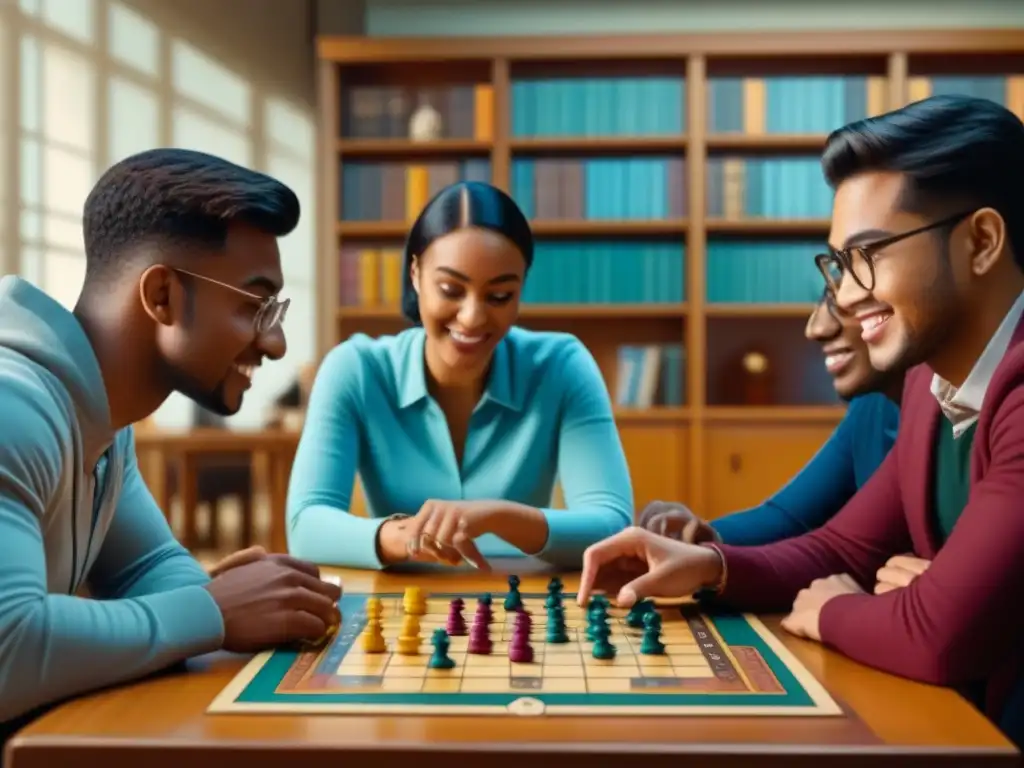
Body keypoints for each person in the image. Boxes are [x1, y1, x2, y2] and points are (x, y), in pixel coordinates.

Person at [576, 95, 1024, 746]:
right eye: (838, 265)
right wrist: (707, 565)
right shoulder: (930, 380)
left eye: (869, 254)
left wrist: (840, 609)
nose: (843, 296)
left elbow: (939, 635)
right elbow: (841, 547)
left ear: (981, 241)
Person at [0, 149, 342, 728]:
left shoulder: (107, 422)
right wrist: (211, 610)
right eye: (255, 305)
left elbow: (151, 566)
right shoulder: (15, 409)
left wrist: (218, 604)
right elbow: (9, 651)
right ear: (161, 297)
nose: (277, 343)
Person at [286, 181, 633, 570]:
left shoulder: (562, 366)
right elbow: (305, 526)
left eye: (499, 296)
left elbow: (612, 526)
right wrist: (406, 536)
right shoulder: (356, 369)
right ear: (415, 274)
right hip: (404, 605)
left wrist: (498, 516)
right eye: (451, 289)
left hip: (518, 603)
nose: (472, 317)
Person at [638, 291, 930, 594]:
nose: (815, 328)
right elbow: (800, 523)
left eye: (843, 300)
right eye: (828, 296)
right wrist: (700, 539)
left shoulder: (959, 410)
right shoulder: (873, 403)